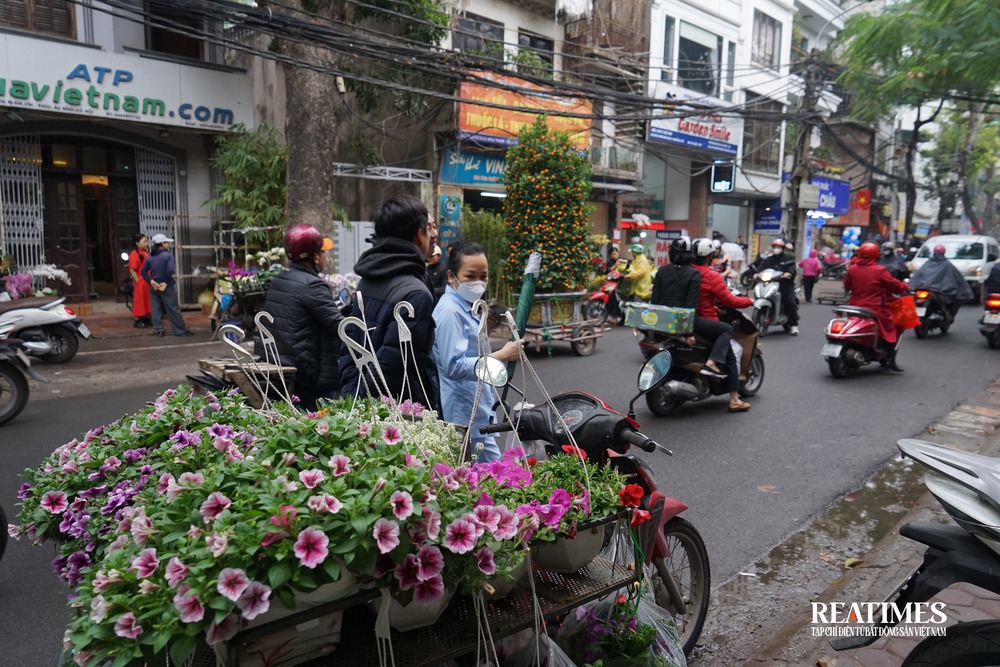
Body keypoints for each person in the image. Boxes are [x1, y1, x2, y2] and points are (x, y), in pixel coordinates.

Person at [339, 194, 439, 410]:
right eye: (428, 229)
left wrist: (351, 397)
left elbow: (348, 345)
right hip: (397, 412)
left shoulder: (368, 279)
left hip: (363, 402)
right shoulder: (416, 294)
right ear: (419, 236)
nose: (434, 235)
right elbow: (392, 367)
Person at [432, 241, 521, 463]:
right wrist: (501, 355)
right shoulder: (450, 312)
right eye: (470, 276)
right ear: (452, 276)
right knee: (492, 475)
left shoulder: (467, 306)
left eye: (484, 276)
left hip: (477, 405)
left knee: (485, 473)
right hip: (464, 411)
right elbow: (453, 365)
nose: (478, 283)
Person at [263, 224, 344, 411]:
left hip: (283, 362)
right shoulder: (312, 285)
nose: (325, 256)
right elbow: (338, 326)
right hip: (309, 373)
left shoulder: (280, 279)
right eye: (323, 252)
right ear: (315, 257)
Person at [691, 238, 754, 412]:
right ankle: (734, 399)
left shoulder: (688, 271)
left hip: (686, 320)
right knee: (731, 354)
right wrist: (748, 301)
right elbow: (728, 300)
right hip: (707, 320)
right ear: (710, 256)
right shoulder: (711, 275)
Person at [844, 242, 909, 372]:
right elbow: (893, 285)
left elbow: (847, 286)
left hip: (854, 305)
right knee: (891, 327)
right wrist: (904, 287)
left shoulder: (853, 269)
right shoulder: (880, 270)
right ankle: (890, 359)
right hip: (875, 307)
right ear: (876, 254)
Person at [140, 234, 193, 337]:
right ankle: (179, 330)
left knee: (156, 308)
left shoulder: (150, 257)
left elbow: (143, 272)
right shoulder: (168, 255)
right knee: (173, 308)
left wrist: (151, 281)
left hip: (154, 286)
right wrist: (165, 283)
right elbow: (169, 271)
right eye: (166, 242)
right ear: (162, 244)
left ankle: (158, 329)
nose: (168, 244)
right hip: (165, 286)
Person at [909, 244, 974, 311]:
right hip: (936, 291)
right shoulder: (946, 264)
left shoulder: (928, 263)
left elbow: (917, 276)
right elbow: (958, 279)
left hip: (929, 290)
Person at [754, 239, 800, 335]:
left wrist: (788, 273)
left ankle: (793, 325)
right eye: (774, 247)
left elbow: (792, 269)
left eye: (778, 247)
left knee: (790, 302)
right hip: (771, 283)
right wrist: (756, 274)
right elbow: (761, 268)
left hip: (785, 284)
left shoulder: (788, 258)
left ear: (782, 248)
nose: (776, 249)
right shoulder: (769, 259)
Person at [128, 233, 152, 328]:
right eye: (144, 241)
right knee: (140, 301)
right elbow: (132, 270)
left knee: (148, 300)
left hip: (148, 280)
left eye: (147, 241)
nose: (146, 243)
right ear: (137, 243)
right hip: (141, 281)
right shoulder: (134, 254)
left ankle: (146, 318)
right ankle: (138, 320)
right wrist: (138, 281)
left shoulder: (147, 253)